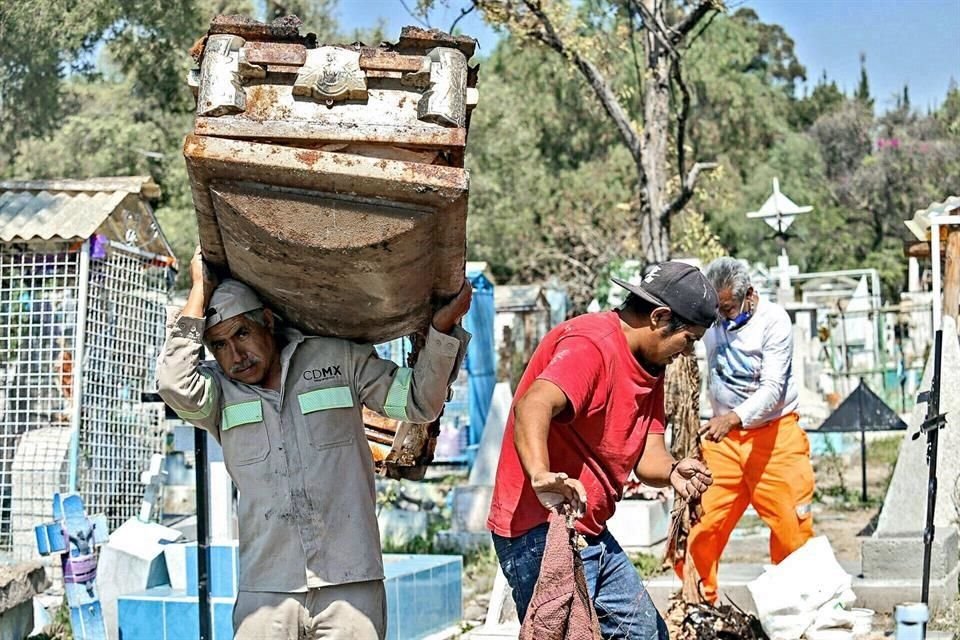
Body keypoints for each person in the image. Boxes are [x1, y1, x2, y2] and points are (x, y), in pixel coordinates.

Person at [157, 247, 471, 640]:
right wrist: (199, 292)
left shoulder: (336, 358)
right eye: (219, 344)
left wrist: (442, 330)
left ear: (267, 322)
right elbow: (173, 383)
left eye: (242, 333)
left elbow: (418, 403)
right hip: (267, 584)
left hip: (349, 579)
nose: (235, 354)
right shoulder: (216, 393)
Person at [487, 261, 719, 639]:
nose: (688, 352)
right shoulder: (592, 346)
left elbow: (647, 453)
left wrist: (673, 470)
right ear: (661, 318)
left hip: (588, 530)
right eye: (688, 339)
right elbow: (533, 404)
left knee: (644, 633)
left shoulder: (650, 363)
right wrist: (541, 474)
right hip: (539, 531)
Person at [677, 257, 815, 603]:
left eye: (728, 308)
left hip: (775, 435)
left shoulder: (774, 322)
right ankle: (699, 601)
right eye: (716, 310)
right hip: (722, 442)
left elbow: (772, 388)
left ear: (750, 295)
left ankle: (792, 607)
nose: (722, 317)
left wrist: (734, 417)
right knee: (702, 523)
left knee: (791, 529)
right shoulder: (712, 318)